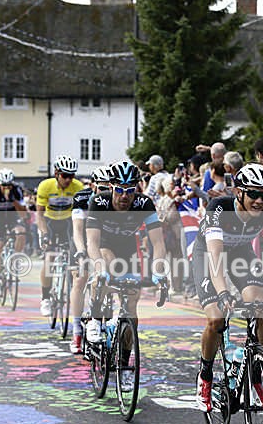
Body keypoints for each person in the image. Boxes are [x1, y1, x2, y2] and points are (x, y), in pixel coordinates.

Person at [192, 163, 263, 412]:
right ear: (239, 192)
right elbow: (215, 260)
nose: (260, 200)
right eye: (254, 194)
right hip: (209, 255)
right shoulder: (220, 208)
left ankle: (256, 372)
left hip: (241, 253)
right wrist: (224, 292)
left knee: (259, 306)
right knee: (216, 319)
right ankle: (205, 376)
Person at [84, 160, 168, 367]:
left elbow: (158, 243)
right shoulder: (99, 202)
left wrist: (159, 272)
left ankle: (124, 363)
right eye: (120, 190)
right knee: (108, 270)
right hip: (104, 245)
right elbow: (92, 243)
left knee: (132, 300)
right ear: (111, 187)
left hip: (128, 248)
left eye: (130, 190)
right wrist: (99, 268)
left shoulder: (144, 204)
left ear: (137, 188)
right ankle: (94, 319)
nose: (125, 196)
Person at [69, 166, 111, 354]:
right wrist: (80, 252)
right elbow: (77, 230)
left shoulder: (116, 199)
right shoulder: (81, 198)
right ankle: (77, 330)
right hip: (82, 239)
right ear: (93, 185)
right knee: (80, 278)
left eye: (108, 188)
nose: (105, 192)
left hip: (103, 239)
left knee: (109, 275)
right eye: (101, 187)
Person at [36, 155, 84, 315]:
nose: (68, 180)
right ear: (56, 174)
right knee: (50, 257)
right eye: (65, 175)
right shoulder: (45, 186)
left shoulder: (78, 187)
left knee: (74, 258)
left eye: (72, 176)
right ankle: (45, 298)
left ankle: (72, 291)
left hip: (68, 223)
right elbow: (39, 216)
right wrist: (44, 235)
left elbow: (82, 216)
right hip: (49, 222)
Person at [0, 168, 27, 297]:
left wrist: (14, 201)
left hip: (12, 219)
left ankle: (15, 259)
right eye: (4, 185)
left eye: (9, 185)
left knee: (21, 232)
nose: (6, 188)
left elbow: (23, 213)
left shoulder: (17, 190)